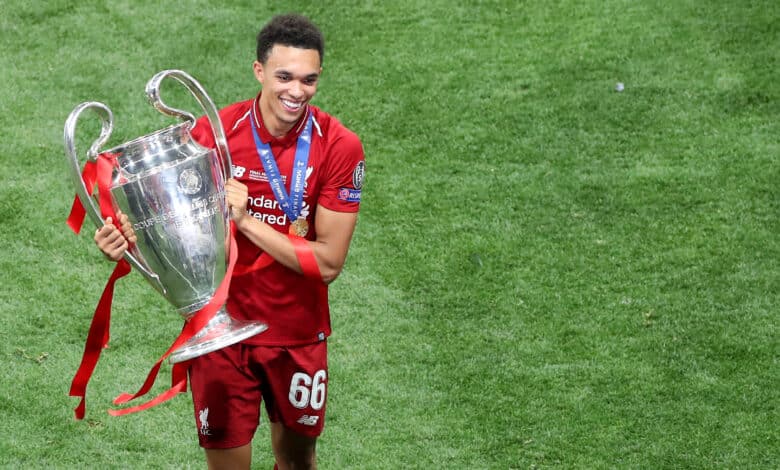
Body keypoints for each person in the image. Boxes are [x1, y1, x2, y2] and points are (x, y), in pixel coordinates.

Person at [94, 13, 365, 470]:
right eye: (284, 77)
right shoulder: (211, 137)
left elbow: (329, 263)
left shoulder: (339, 146)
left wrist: (247, 222)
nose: (296, 91)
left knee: (298, 463)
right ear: (258, 71)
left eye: (308, 79)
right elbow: (177, 237)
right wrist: (126, 242)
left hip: (296, 335)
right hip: (221, 334)